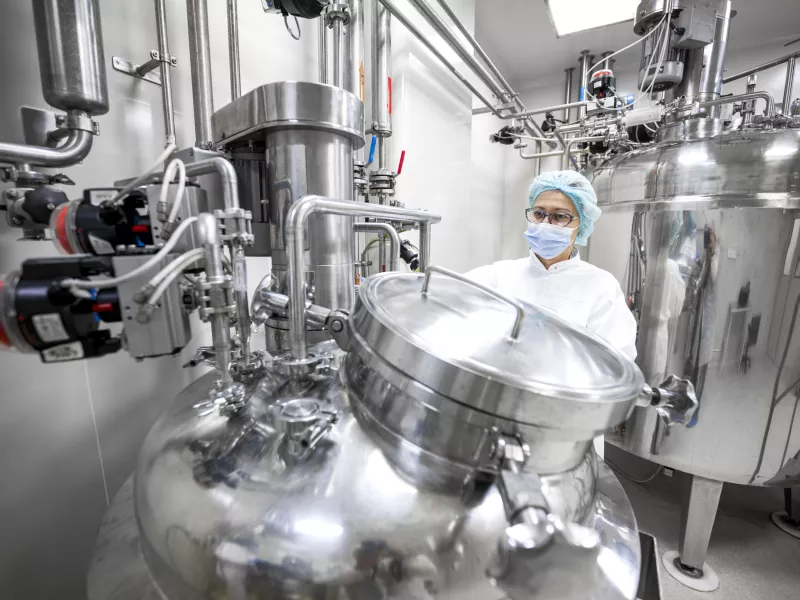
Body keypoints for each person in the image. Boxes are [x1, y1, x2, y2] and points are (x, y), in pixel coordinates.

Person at [465, 170, 637, 361]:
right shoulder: (496, 276)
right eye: (538, 213)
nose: (545, 223)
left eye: (560, 216)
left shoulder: (601, 287)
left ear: (582, 224)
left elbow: (615, 363)